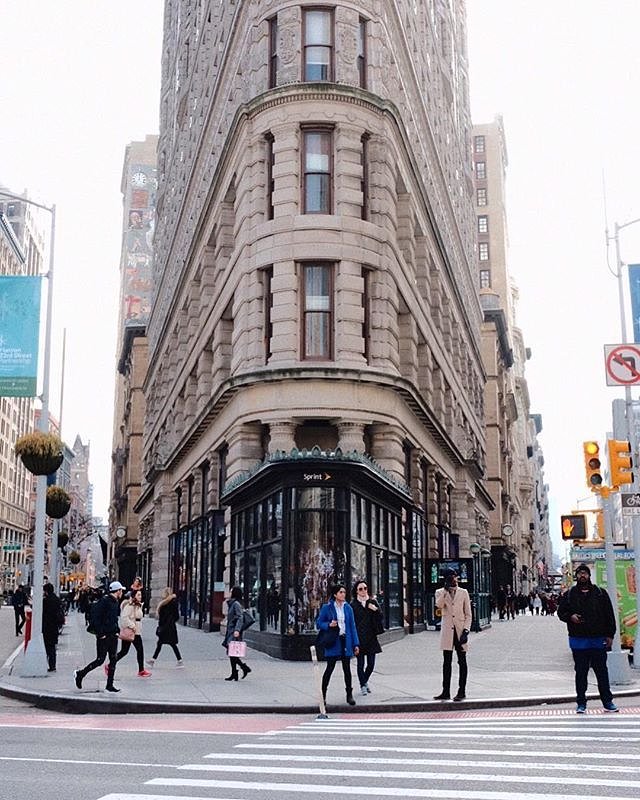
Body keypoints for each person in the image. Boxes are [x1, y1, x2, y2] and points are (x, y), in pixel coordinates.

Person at [557, 564, 619, 714]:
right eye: (580, 574)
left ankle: (607, 701)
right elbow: (561, 612)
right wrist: (570, 617)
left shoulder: (600, 593)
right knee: (581, 673)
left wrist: (610, 635)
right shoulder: (570, 594)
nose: (582, 576)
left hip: (597, 640)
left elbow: (609, 615)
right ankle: (581, 703)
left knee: (602, 672)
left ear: (589, 575)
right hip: (578, 641)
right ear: (576, 576)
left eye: (585, 573)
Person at [74, 581, 125, 692]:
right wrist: (100, 633)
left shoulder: (115, 602)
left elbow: (114, 619)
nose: (122, 593)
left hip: (112, 635)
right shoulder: (105, 601)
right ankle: (80, 674)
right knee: (100, 660)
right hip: (104, 635)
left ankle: (109, 684)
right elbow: (96, 618)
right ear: (118, 591)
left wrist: (117, 631)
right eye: (121, 590)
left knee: (113, 659)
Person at [317, 584, 360, 706]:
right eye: (341, 592)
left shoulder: (348, 608)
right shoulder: (327, 607)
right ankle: (323, 695)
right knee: (330, 668)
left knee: (347, 668)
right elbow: (319, 623)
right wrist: (329, 625)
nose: (343, 594)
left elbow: (352, 627)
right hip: (333, 641)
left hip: (345, 640)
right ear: (335, 594)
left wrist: (355, 643)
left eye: (344, 592)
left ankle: (349, 694)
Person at [433, 569, 472, 701]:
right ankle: (446, 691)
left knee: (462, 661)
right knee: (446, 662)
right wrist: (445, 590)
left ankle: (462, 691)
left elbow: (468, 614)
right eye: (449, 578)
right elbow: (438, 606)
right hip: (447, 632)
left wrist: (466, 631)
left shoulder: (463, 592)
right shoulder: (440, 592)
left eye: (453, 577)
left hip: (460, 631)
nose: (453, 579)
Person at [350, 580, 383, 696]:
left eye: (365, 588)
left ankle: (365, 681)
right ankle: (363, 685)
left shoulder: (372, 602)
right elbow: (351, 622)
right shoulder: (353, 605)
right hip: (359, 638)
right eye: (360, 589)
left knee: (371, 664)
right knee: (360, 663)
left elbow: (381, 616)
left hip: (371, 638)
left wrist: (375, 609)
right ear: (356, 591)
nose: (363, 591)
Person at [114, 588, 151, 677]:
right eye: (138, 595)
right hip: (132, 631)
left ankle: (111, 664)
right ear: (133, 596)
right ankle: (141, 670)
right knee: (137, 650)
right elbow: (124, 618)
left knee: (124, 651)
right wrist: (132, 626)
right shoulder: (130, 606)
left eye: (141, 595)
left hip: (136, 631)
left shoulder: (137, 605)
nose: (140, 597)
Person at [147, 587, 183, 667]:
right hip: (170, 626)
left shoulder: (163, 604)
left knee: (163, 643)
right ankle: (179, 660)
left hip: (164, 626)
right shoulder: (173, 602)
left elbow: (161, 617)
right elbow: (177, 616)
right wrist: (172, 621)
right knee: (169, 644)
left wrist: (161, 624)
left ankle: (153, 660)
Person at [222, 586, 251, 681]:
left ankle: (243, 668)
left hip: (234, 631)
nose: (229, 592)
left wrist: (237, 630)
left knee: (232, 651)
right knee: (232, 652)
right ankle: (235, 672)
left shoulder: (236, 604)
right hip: (231, 630)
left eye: (231, 591)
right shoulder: (232, 603)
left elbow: (240, 617)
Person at [42, 583, 63, 672]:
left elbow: (42, 611)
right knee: (52, 647)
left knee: (47, 647)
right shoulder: (57, 599)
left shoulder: (46, 601)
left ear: (46, 591)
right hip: (55, 626)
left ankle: (47, 664)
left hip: (47, 626)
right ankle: (52, 665)